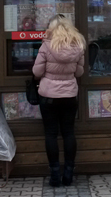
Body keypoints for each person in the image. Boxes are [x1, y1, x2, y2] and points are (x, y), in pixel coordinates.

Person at [33, 14, 85, 187]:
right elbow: (79, 73)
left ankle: (55, 175)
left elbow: (37, 72)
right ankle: (69, 173)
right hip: (70, 95)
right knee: (69, 133)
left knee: (51, 134)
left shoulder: (46, 45)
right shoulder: (78, 45)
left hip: (49, 96)